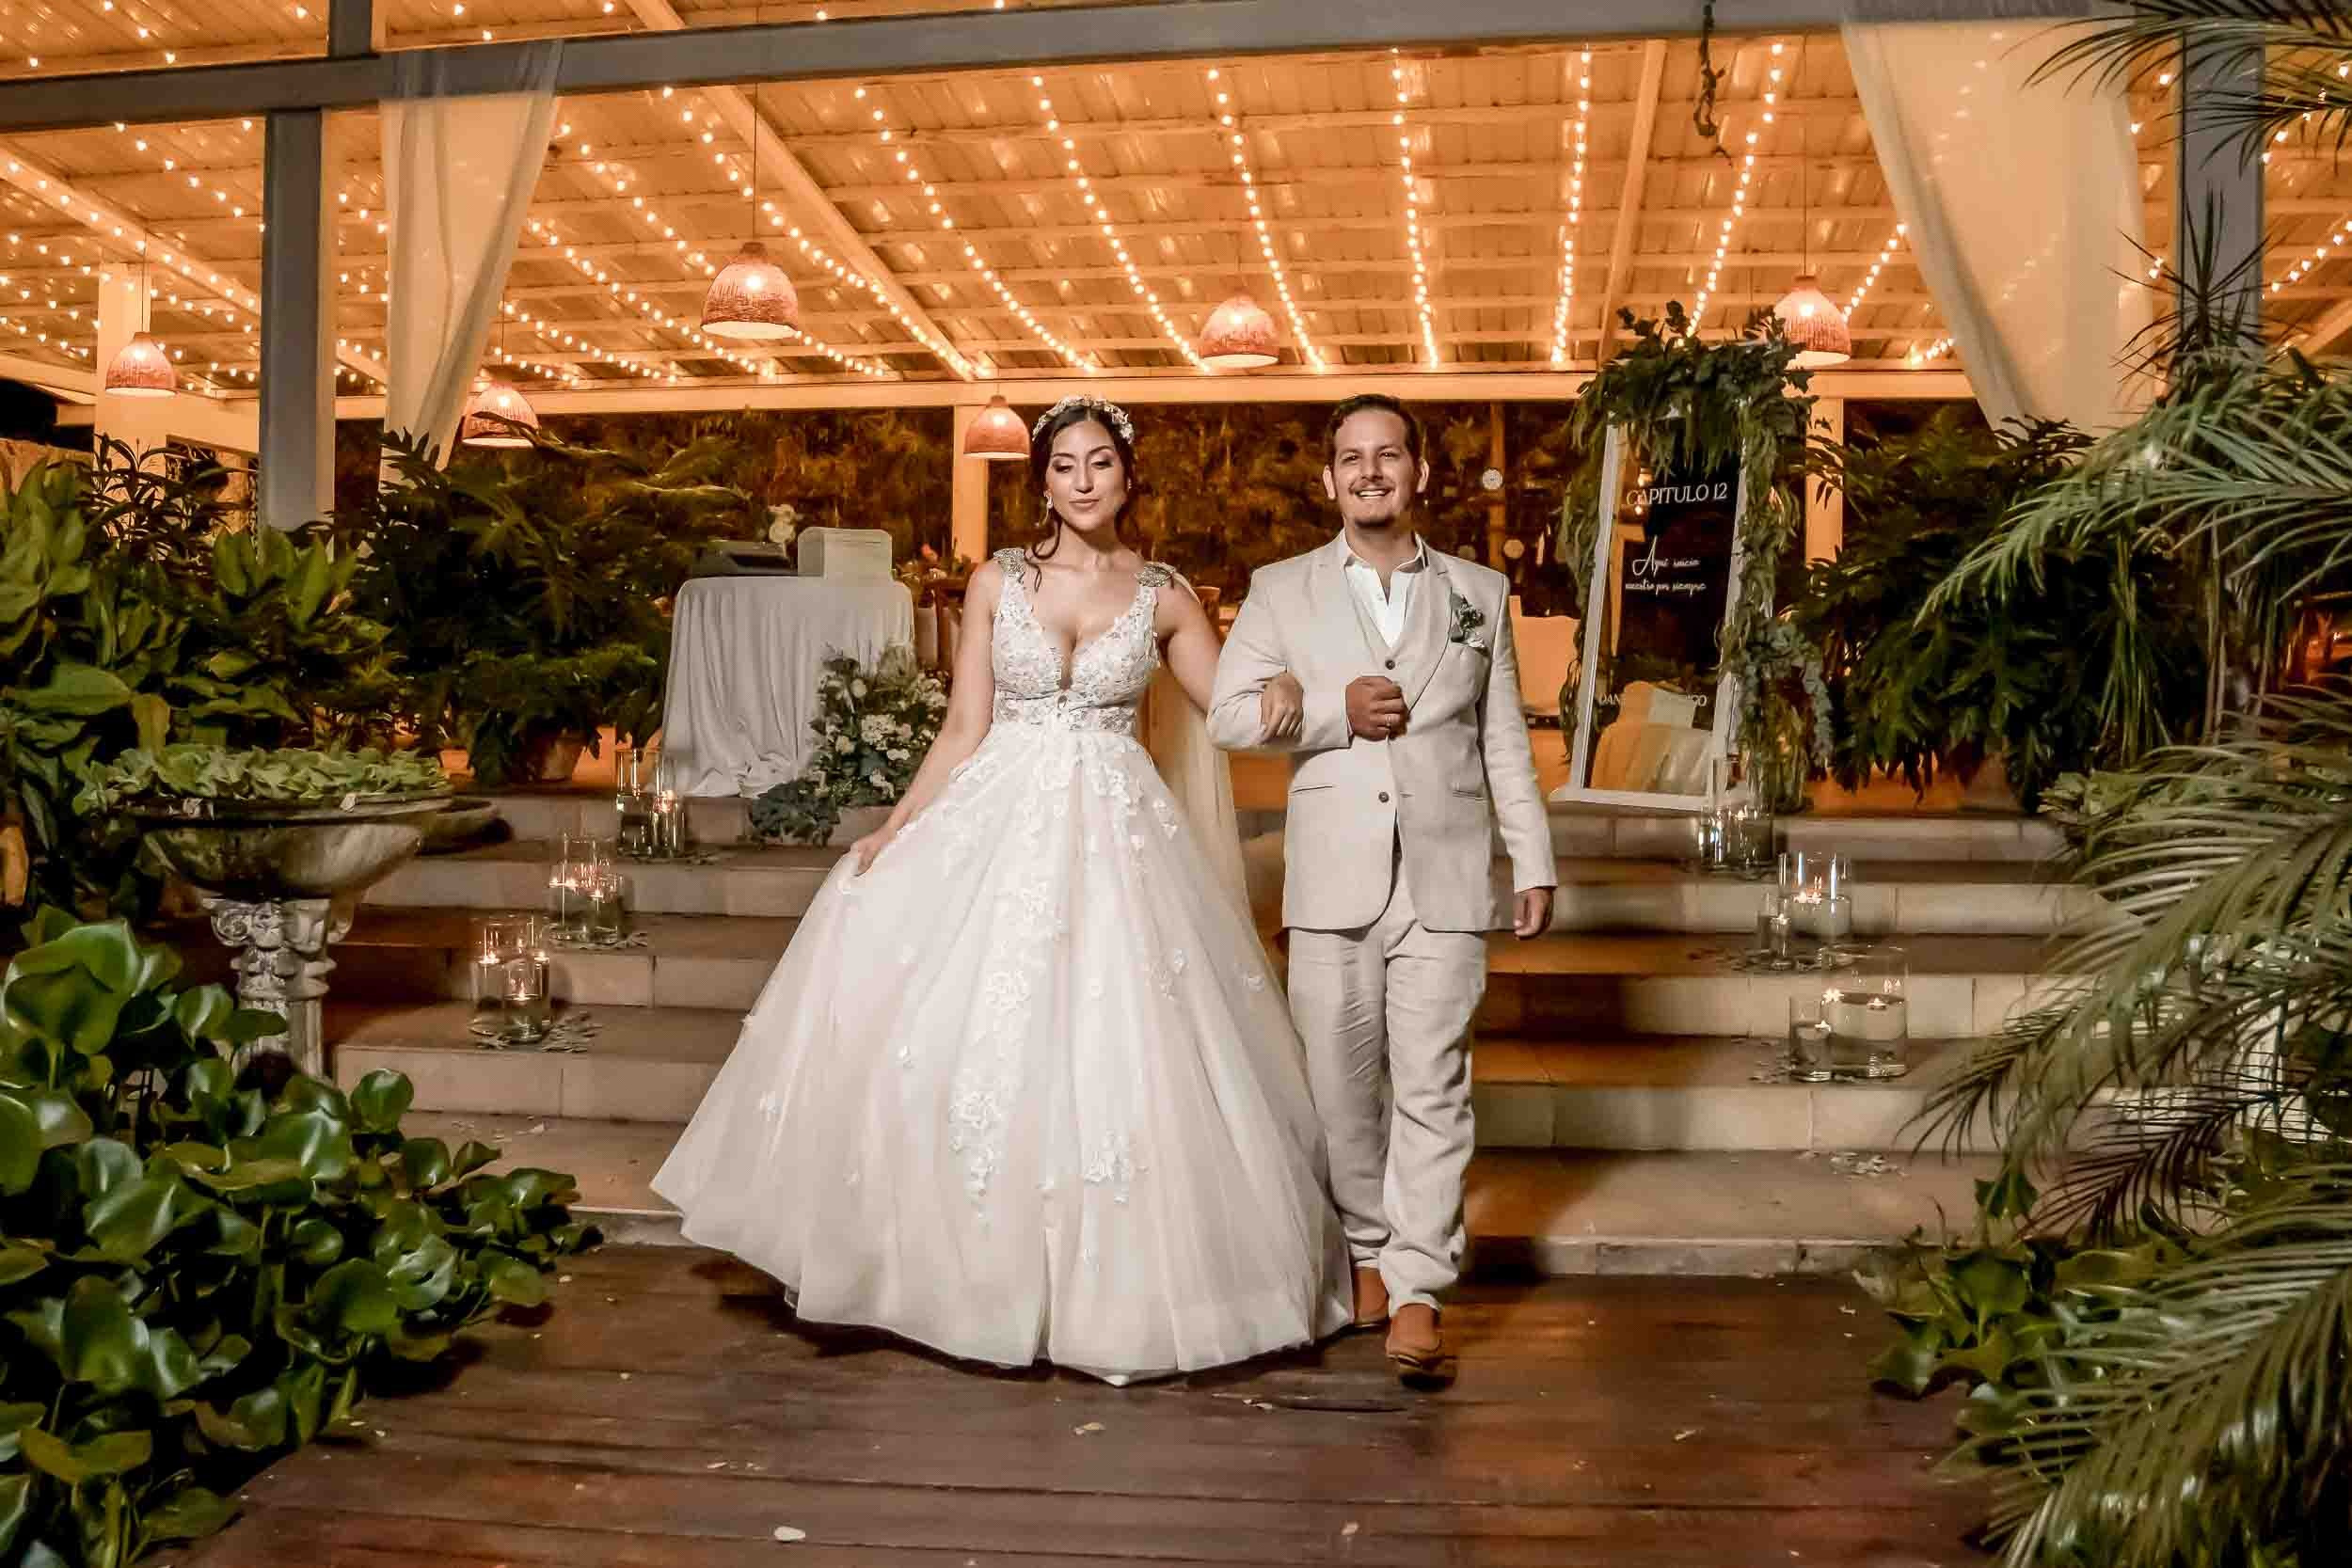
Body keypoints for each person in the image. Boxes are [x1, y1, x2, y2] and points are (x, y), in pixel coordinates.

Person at [653, 395, 1351, 1385]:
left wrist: (1285, 693)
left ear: (1124, 475)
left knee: (1123, 1035)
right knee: (950, 1012)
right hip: (1000, 812)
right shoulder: (995, 581)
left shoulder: (1163, 595)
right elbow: (962, 726)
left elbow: (1229, 705)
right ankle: (936, 1272)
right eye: (1063, 463)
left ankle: (1114, 1294)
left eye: (1099, 461)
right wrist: (897, 827)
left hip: (1118, 831)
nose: (1082, 479)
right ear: (1044, 482)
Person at [1207, 393, 1558, 1385]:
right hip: (1331, 881)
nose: (1370, 471)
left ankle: (1416, 1286)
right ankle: (1365, 1249)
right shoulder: (1278, 590)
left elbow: (1502, 737)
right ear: (1328, 481)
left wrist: (1529, 856)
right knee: (1339, 1090)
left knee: (1435, 1085)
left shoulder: (1479, 592)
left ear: (1419, 474)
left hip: (1445, 874)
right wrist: (1329, 711)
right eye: (1351, 458)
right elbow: (1228, 717)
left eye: (1388, 455)